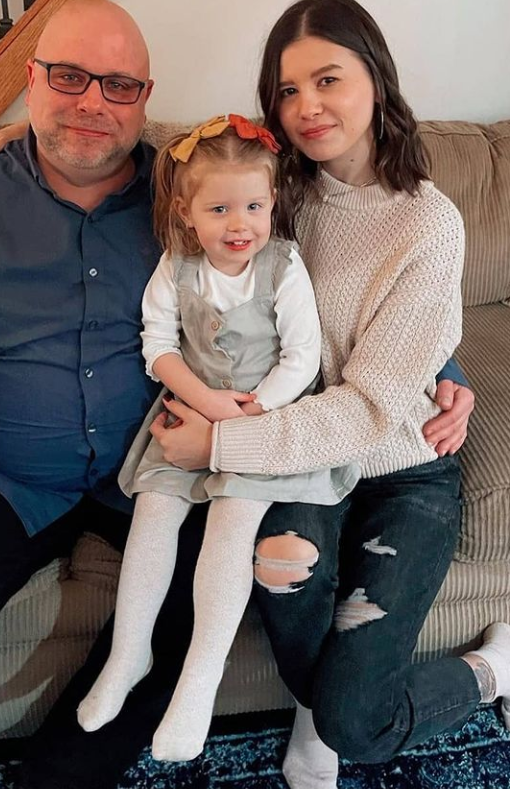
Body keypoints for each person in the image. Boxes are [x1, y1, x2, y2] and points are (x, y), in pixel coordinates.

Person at [0, 1, 475, 788]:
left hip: (156, 456)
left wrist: (442, 366)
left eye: (117, 85)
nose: (91, 103)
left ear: (145, 99)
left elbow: (342, 293)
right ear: (31, 81)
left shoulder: (194, 187)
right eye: (67, 78)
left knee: (191, 618)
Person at [145, 1, 510, 787]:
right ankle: (317, 706)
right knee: (279, 569)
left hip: (402, 465)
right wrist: (18, 141)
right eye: (288, 90)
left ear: (376, 79)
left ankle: (496, 669)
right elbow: (148, 167)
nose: (307, 107)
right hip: (300, 457)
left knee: (358, 724)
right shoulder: (272, 193)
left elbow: (367, 405)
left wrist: (217, 443)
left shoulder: (429, 223)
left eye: (328, 80)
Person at [76, 114, 359, 762]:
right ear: (187, 211)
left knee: (231, 525)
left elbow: (303, 355)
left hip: (262, 421)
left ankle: (200, 678)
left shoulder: (283, 265)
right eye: (220, 208)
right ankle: (128, 654)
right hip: (190, 409)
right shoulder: (178, 266)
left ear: (273, 202)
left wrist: (253, 411)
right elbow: (158, 344)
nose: (240, 225)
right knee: (154, 510)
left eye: (254, 206)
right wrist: (205, 402)